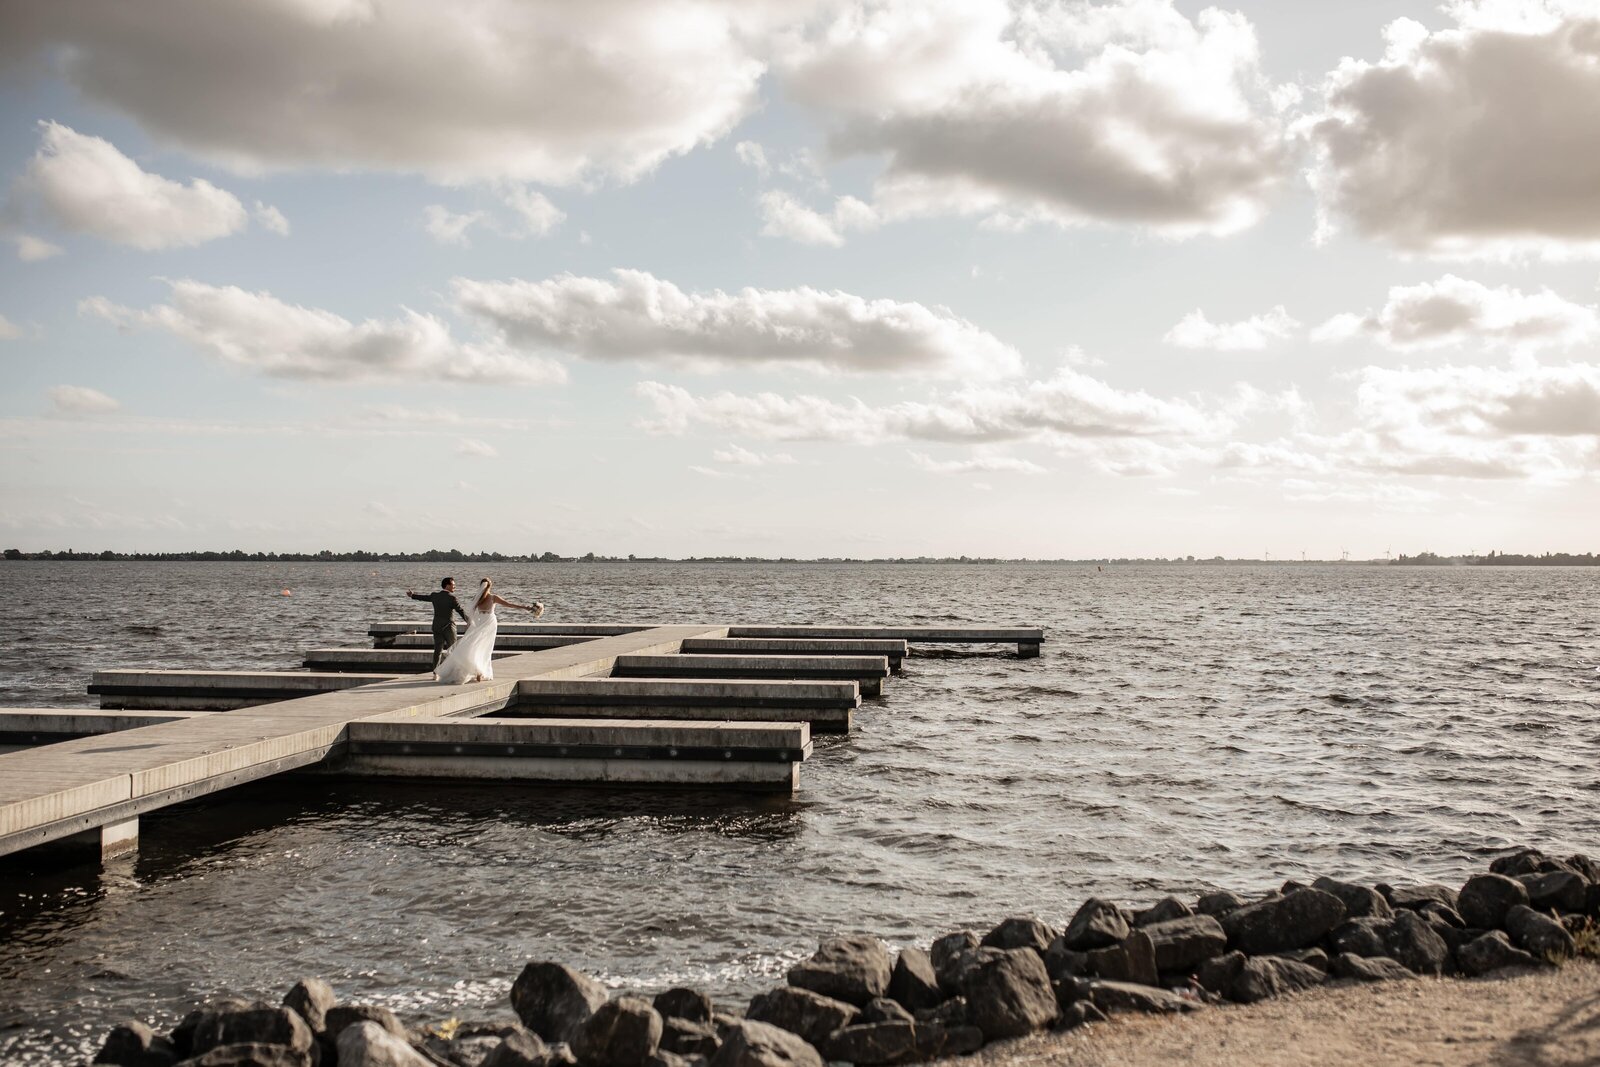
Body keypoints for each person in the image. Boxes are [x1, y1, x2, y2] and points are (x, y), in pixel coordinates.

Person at [435, 577, 545, 685]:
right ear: (490, 586)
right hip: (489, 622)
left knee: (474, 646)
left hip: (479, 622)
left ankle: (477, 670)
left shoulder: (477, 598)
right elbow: (509, 605)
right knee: (486, 648)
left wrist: (469, 625)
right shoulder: (493, 597)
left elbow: (470, 613)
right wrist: (525, 607)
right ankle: (480, 671)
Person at [406, 577, 469, 673]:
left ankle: (435, 672)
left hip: (437, 627)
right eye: (453, 585)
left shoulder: (435, 596)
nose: (455, 586)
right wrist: (469, 621)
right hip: (449, 627)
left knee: (437, 650)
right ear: (447, 585)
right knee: (453, 650)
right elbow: (460, 611)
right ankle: (453, 670)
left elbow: (424, 598)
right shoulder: (452, 598)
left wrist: (413, 595)